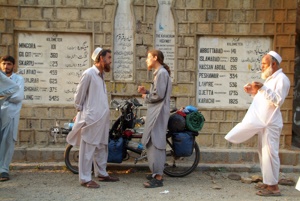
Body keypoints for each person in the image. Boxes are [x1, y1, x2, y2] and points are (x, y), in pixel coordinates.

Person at [225, 51, 290, 197]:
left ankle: (273, 187)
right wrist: (254, 92)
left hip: (270, 123)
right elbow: (264, 100)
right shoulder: (270, 79)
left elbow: (278, 101)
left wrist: (263, 88)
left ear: (273, 64)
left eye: (264, 64)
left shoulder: (282, 79)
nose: (261, 67)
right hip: (263, 122)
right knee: (263, 153)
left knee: (270, 154)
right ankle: (268, 182)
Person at [66, 47, 119, 188]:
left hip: (102, 119)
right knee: (87, 149)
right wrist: (81, 113)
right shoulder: (89, 74)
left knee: (102, 147)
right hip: (91, 118)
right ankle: (85, 179)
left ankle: (101, 173)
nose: (110, 61)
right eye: (108, 58)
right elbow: (79, 96)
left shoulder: (101, 76)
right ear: (101, 58)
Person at [137, 49, 172, 188]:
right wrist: (147, 92)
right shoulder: (160, 73)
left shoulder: (162, 73)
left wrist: (146, 97)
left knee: (156, 143)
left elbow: (159, 96)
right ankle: (155, 172)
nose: (146, 60)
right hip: (156, 112)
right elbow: (157, 93)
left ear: (155, 58)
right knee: (153, 141)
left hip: (158, 113)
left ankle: (158, 177)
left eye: (148, 57)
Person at [0, 55, 24, 182]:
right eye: (3, 63)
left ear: (13, 66)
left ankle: (4, 169)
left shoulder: (18, 79)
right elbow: (12, 95)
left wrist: (2, 95)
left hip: (11, 113)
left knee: (8, 141)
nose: (6, 66)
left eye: (9, 64)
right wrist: (9, 94)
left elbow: (18, 97)